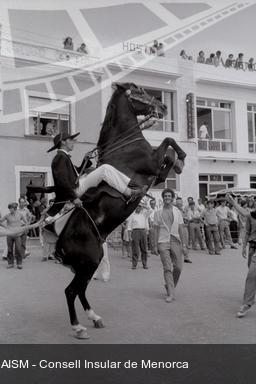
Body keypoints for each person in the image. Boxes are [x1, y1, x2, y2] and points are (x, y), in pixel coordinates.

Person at [47, 132, 147, 216]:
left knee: (105, 169)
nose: (74, 142)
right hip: (75, 190)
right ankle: (129, 192)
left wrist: (85, 160)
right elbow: (62, 181)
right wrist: (74, 198)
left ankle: (130, 187)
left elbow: (77, 172)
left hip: (77, 185)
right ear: (63, 142)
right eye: (71, 139)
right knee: (104, 169)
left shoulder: (63, 157)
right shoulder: (60, 157)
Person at [153, 188, 186, 303]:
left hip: (175, 240)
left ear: (172, 198)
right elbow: (155, 229)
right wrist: (154, 245)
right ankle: (171, 293)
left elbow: (181, 228)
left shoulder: (177, 212)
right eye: (165, 196)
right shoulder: (158, 213)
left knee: (178, 267)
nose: (167, 198)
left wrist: (184, 244)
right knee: (167, 267)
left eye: (169, 196)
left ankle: (169, 285)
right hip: (162, 241)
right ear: (163, 198)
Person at [236, 203, 256, 318]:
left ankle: (247, 303)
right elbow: (247, 232)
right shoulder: (251, 215)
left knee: (252, 275)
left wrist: (233, 202)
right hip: (252, 248)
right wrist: (243, 247)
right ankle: (249, 300)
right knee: (251, 274)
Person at [0, 203, 28, 269]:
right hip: (9, 235)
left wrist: (23, 228)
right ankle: (10, 263)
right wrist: (6, 226)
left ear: (15, 208)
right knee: (9, 250)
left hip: (18, 235)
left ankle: (19, 263)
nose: (10, 210)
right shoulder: (7, 215)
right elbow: (0, 221)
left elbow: (26, 222)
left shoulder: (20, 215)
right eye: (9, 208)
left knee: (18, 249)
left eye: (11, 208)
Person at [128, 203, 150, 269]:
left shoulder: (144, 214)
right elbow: (129, 226)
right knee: (135, 249)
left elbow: (150, 210)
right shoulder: (132, 215)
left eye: (139, 207)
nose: (138, 208)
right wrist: (129, 236)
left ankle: (145, 264)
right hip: (135, 231)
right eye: (137, 206)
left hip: (143, 231)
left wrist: (144, 205)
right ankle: (134, 264)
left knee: (144, 249)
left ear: (141, 208)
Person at [176, 197, 192, 263]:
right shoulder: (174, 210)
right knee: (177, 243)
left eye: (180, 202)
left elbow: (189, 218)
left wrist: (187, 223)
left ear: (182, 203)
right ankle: (176, 258)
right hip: (176, 228)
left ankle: (186, 257)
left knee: (185, 242)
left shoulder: (185, 210)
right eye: (178, 202)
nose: (179, 204)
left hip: (184, 227)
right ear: (176, 203)